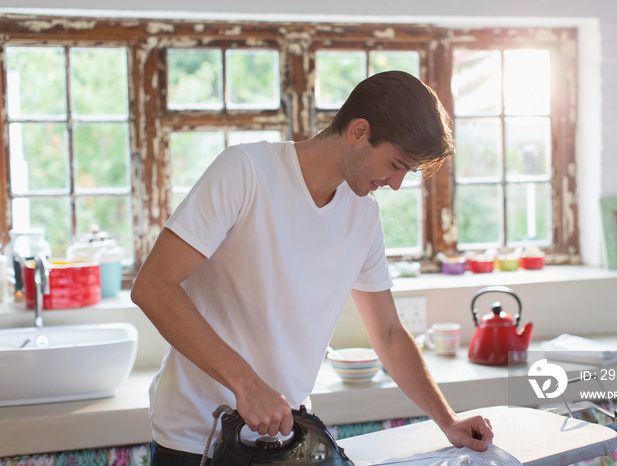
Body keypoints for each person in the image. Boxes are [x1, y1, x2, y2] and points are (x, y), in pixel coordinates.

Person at [131, 70, 494, 464]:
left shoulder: (363, 217)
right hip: (194, 439)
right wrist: (246, 384)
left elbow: (388, 333)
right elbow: (153, 285)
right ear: (358, 132)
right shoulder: (246, 171)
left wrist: (448, 419)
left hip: (285, 440)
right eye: (396, 164)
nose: (396, 184)